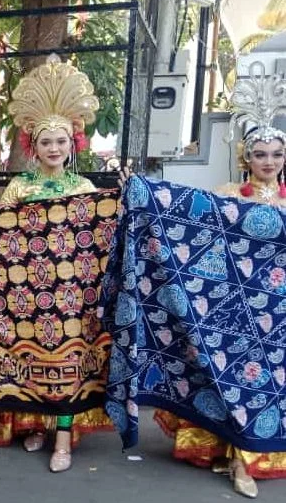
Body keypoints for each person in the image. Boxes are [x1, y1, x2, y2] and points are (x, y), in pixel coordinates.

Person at [153, 68, 286, 499]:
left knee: (272, 381)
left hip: (281, 309)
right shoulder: (229, 193)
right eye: (260, 154)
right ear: (247, 158)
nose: (268, 161)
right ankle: (238, 460)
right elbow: (192, 226)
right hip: (237, 307)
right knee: (237, 379)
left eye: (276, 154)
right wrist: (147, 195)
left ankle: (257, 452)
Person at [0, 54, 109, 473]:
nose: (54, 148)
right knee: (32, 358)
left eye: (61, 141)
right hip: (26, 291)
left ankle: (64, 440)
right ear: (34, 146)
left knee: (67, 363)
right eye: (46, 142)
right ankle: (37, 424)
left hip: (72, 294)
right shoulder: (19, 186)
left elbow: (101, 238)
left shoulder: (86, 187)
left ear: (73, 143)